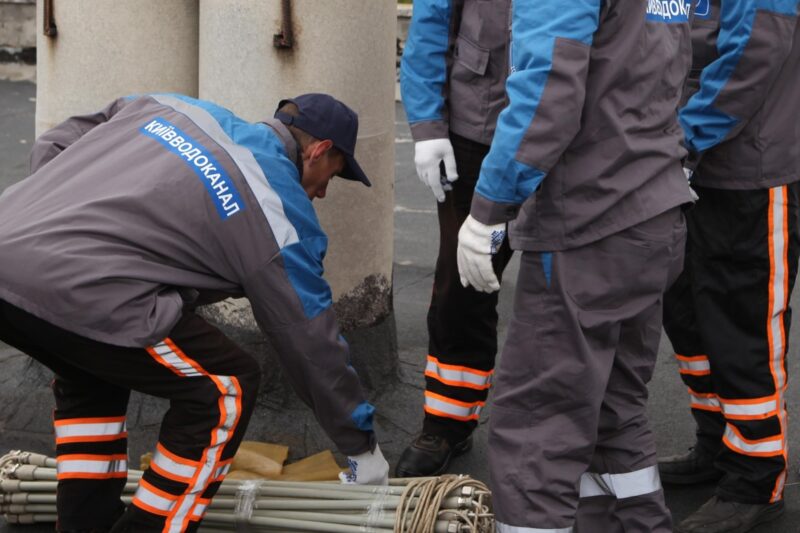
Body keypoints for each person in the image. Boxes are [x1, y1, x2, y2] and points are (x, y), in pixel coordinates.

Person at [0, 92, 389, 533]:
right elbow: (309, 338)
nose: (320, 192)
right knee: (225, 388)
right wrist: (360, 446)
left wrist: (54, 230)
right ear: (319, 151)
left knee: (93, 370)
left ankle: (83, 524)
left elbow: (57, 142)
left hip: (9, 253)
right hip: (84, 288)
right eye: (330, 177)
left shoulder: (170, 107)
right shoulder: (275, 203)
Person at [456, 0, 696, 531]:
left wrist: (488, 208)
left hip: (589, 223)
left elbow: (546, 92)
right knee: (614, 410)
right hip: (651, 210)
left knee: (538, 425)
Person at [658, 0, 800, 531]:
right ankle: (718, 443)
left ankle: (755, 477)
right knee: (691, 315)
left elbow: (751, 55)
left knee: (745, 329)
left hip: (750, 172)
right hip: (700, 167)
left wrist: (681, 142)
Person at [394, 0, 514, 478]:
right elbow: (432, 23)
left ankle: (573, 422)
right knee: (462, 287)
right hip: (477, 130)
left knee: (569, 289)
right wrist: (427, 124)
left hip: (570, 133)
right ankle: (447, 423)